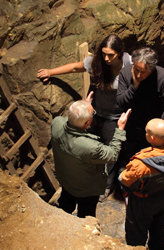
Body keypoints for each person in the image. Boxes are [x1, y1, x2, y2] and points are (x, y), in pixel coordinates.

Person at [38, 34, 133, 196]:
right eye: (104, 53)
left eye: (111, 55)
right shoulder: (96, 63)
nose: (106, 58)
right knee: (90, 147)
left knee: (110, 153)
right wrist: (51, 72)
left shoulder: (128, 65)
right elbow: (76, 67)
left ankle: (106, 185)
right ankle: (88, 176)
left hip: (115, 116)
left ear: (120, 53)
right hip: (94, 112)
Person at [114, 47, 164, 197]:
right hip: (131, 126)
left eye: (143, 72)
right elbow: (121, 102)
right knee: (126, 157)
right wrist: (134, 86)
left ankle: (144, 190)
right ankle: (125, 188)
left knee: (149, 161)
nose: (138, 74)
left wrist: (159, 134)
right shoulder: (126, 73)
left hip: (152, 130)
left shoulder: (163, 78)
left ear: (152, 69)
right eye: (136, 69)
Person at [51, 100, 131, 217]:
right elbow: (112, 154)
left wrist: (83, 106)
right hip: (86, 189)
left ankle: (63, 219)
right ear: (87, 123)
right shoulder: (90, 147)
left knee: (65, 206)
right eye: (93, 113)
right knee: (86, 215)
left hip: (66, 180)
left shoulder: (56, 123)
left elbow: (69, 121)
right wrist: (120, 129)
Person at [118, 118, 164, 249]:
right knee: (159, 228)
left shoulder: (141, 164)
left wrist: (121, 174)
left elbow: (126, 183)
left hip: (143, 202)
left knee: (136, 233)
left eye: (147, 132)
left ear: (153, 138)